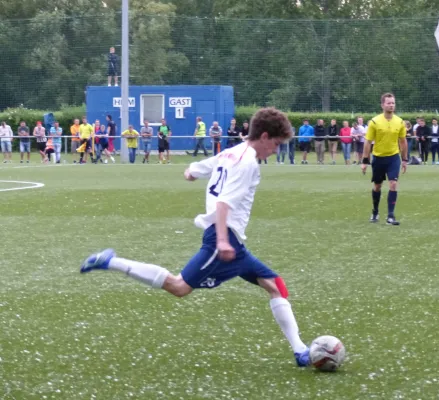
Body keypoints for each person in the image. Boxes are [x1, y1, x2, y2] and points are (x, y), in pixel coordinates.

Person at [80, 107, 312, 367]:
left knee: (276, 286)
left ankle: (300, 350)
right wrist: (223, 240)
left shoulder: (232, 151)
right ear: (266, 136)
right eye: (277, 144)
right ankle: (110, 261)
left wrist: (191, 172)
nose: (276, 150)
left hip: (234, 241)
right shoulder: (247, 163)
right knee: (179, 287)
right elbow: (224, 203)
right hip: (224, 239)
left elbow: (197, 169)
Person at [361, 93, 407, 226]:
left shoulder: (399, 122)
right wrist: (365, 161)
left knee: (393, 183)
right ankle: (375, 211)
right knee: (377, 186)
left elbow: (403, 142)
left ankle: (391, 216)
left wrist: (404, 159)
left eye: (393, 103)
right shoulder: (374, 122)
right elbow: (368, 142)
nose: (391, 105)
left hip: (393, 157)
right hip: (378, 158)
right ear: (382, 105)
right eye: (388, 103)